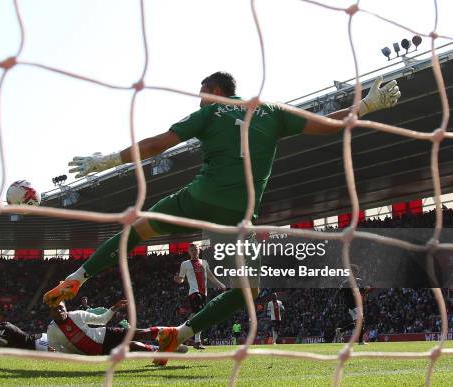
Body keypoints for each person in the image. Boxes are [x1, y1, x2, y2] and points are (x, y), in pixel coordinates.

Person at [43, 71, 401, 354]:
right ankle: (182, 333)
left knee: (136, 231)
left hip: (199, 198)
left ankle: (77, 277)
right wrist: (365, 106)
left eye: (201, 91)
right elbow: (328, 124)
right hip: (240, 216)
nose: (199, 98)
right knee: (249, 290)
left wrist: (106, 160)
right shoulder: (271, 111)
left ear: (214, 90)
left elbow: (156, 145)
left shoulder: (210, 110)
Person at [47, 299, 186, 359]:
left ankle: (175, 333)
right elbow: (56, 349)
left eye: (61, 307)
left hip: (106, 334)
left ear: (65, 308)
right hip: (100, 352)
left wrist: (114, 308)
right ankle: (167, 349)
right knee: (133, 347)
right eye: (55, 309)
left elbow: (102, 320)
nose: (59, 310)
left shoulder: (77, 315)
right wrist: (54, 352)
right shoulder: (52, 330)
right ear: (50, 312)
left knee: (139, 333)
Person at [174, 243, 226, 349]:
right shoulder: (185, 264)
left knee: (198, 315)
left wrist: (220, 285)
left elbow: (210, 275)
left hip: (203, 293)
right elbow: (181, 278)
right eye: (192, 250)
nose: (194, 251)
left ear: (199, 250)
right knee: (198, 314)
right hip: (194, 292)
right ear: (188, 252)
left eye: (196, 249)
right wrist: (178, 280)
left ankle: (189, 337)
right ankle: (187, 337)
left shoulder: (204, 262)